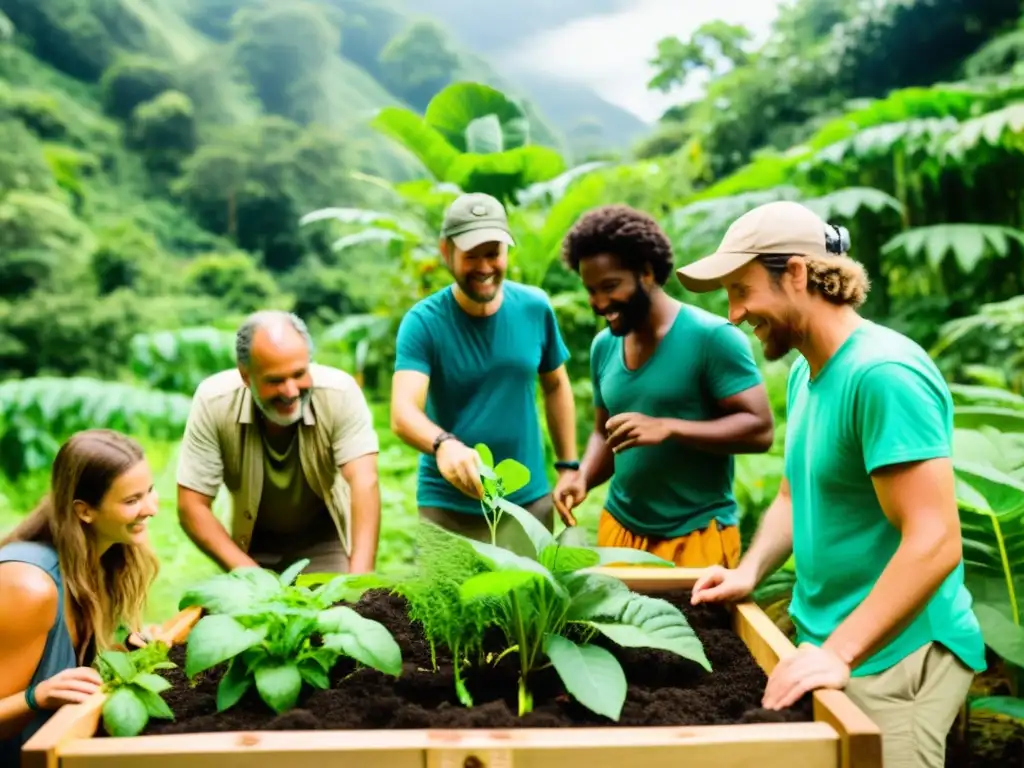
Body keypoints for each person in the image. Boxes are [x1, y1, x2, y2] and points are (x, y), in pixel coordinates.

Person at [681, 200, 986, 767]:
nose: (734, 312)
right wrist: (750, 572)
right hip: (833, 645)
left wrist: (840, 652)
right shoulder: (807, 370)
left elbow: (935, 540)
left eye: (742, 290)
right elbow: (797, 495)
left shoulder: (883, 374)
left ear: (796, 273)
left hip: (898, 658)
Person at [553, 204, 774, 567]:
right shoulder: (604, 346)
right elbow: (603, 433)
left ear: (647, 272)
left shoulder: (712, 338)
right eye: (590, 290)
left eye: (610, 287)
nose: (599, 303)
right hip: (620, 532)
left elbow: (760, 430)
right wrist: (582, 479)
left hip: (697, 535)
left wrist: (669, 427)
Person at [391, 192, 577, 547]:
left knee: (525, 603)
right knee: (446, 603)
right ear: (446, 253)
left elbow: (555, 386)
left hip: (527, 502)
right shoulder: (424, 322)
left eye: (493, 254)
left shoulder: (535, 308)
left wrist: (568, 464)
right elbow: (402, 413)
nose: (485, 267)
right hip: (447, 507)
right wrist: (444, 445)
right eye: (471, 256)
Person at [177, 310, 381, 575]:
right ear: (246, 376)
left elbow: (364, 481)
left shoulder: (339, 393)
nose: (290, 391)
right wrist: (250, 575)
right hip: (251, 544)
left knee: (339, 610)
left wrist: (359, 582)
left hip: (323, 540)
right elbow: (191, 505)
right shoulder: (214, 401)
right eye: (275, 380)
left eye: (298, 374)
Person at [0, 430, 160, 761]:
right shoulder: (29, 587)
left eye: (150, 491)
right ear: (85, 511)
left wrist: (128, 648)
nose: (152, 509)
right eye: (132, 501)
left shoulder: (107, 559)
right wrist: (36, 698)